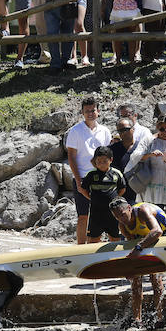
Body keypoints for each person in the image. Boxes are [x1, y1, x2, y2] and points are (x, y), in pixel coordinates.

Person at [109, 197, 166, 328]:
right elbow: (132, 249)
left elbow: (157, 231)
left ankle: (160, 319)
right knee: (136, 282)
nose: (121, 219)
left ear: (129, 208)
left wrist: (139, 247)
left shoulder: (142, 211)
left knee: (155, 278)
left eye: (122, 215)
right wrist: (130, 269)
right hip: (143, 238)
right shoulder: (122, 225)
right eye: (117, 217)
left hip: (165, 233)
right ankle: (137, 320)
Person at [66, 97, 112, 244]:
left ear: (98, 111)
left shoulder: (105, 131)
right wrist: (79, 181)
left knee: (103, 214)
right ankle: (80, 248)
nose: (91, 113)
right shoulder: (75, 131)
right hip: (84, 177)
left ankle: (96, 246)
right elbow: (71, 157)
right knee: (83, 215)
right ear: (82, 113)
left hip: (102, 179)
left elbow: (108, 155)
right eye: (87, 111)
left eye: (93, 110)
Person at [80, 145, 126, 243]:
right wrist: (91, 198)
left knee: (115, 237)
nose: (101, 164)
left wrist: (115, 199)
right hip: (96, 212)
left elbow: (122, 189)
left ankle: (115, 257)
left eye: (104, 161)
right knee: (93, 239)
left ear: (111, 160)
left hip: (113, 213)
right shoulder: (91, 174)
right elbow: (83, 189)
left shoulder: (116, 174)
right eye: (99, 162)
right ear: (95, 161)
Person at [109, 0, 145, 64]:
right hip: (118, 11)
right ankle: (118, 60)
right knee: (117, 38)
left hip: (131, 11)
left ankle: (132, 59)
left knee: (132, 37)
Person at [111, 118, 141, 203]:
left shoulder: (142, 147)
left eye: (126, 130)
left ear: (133, 129)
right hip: (120, 195)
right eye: (120, 131)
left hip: (139, 193)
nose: (123, 133)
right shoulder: (112, 149)